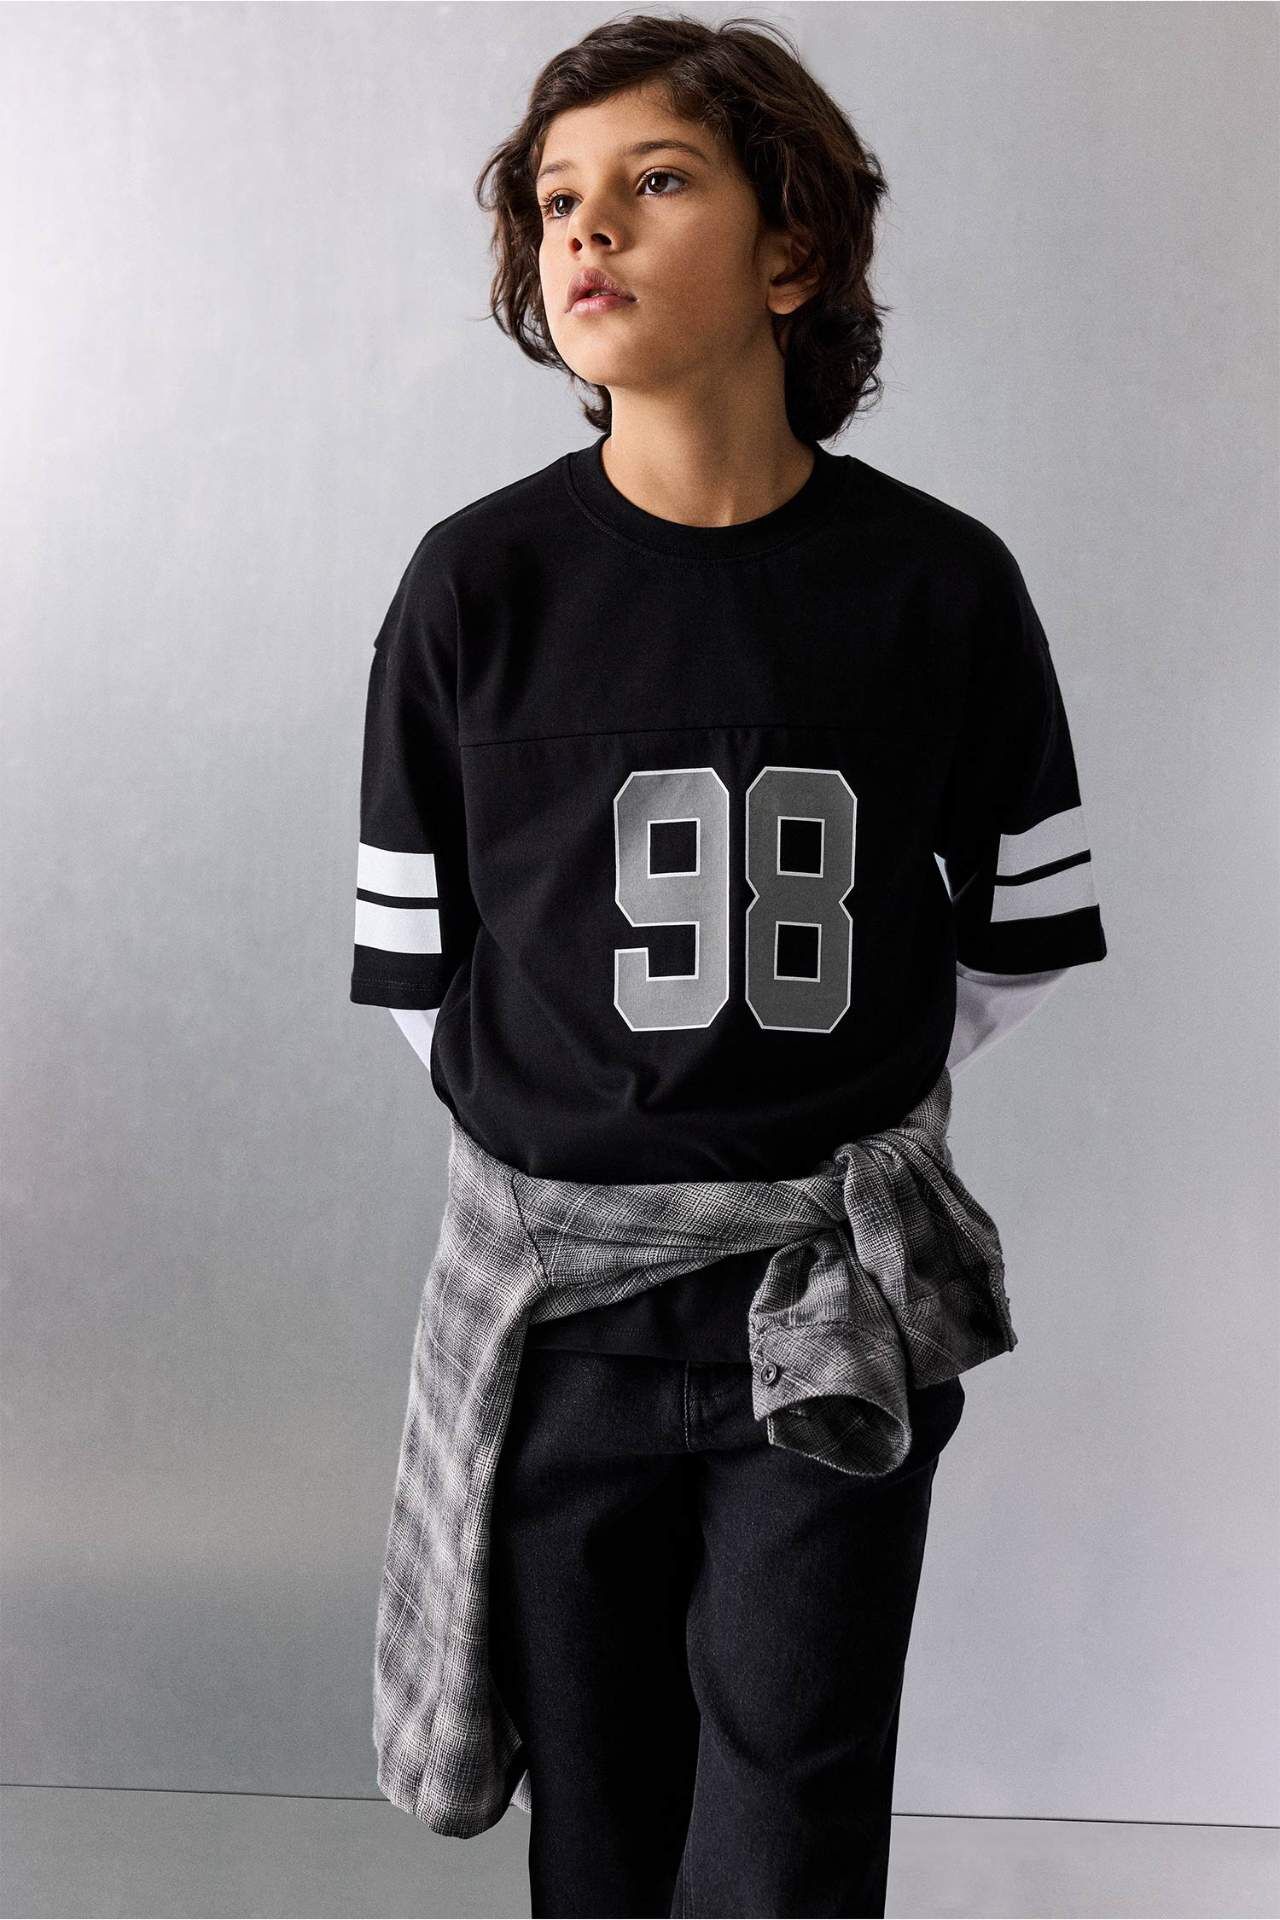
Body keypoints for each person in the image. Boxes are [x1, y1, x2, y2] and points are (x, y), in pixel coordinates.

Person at [349, 15, 1108, 1916]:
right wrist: (598, 1149)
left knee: (787, 1823)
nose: (587, 229)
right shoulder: (476, 587)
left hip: (828, 1299)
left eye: (657, 180)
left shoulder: (938, 585)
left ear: (793, 251)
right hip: (564, 1324)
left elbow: (1014, 941)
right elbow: (425, 971)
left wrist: (805, 1132)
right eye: (555, 201)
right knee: (601, 1828)